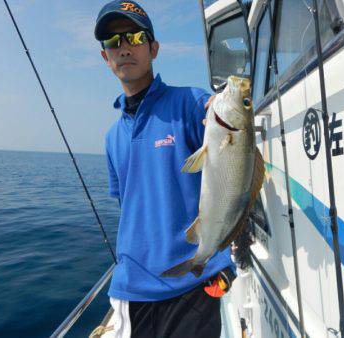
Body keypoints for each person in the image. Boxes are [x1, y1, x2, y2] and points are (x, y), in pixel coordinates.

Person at [94, 1, 234, 337]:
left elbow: (219, 122)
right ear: (105, 58)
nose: (124, 47)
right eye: (113, 43)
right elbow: (128, 206)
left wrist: (223, 109)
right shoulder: (112, 137)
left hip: (193, 283)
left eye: (135, 37)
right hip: (133, 287)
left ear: (154, 48)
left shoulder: (189, 103)